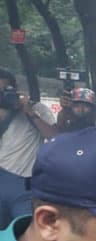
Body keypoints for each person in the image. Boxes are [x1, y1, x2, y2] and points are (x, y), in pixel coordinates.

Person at [0, 68, 57, 229]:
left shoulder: (37, 109)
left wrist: (29, 112)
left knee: (25, 231)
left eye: (5, 91)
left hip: (24, 186)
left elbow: (55, 138)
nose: (2, 96)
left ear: (15, 89)